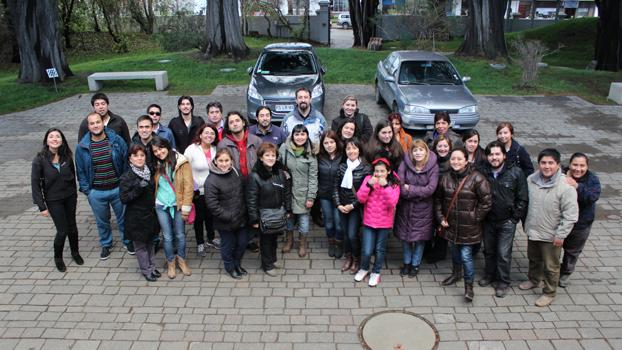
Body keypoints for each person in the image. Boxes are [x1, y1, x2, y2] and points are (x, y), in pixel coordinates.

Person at [519, 148, 578, 307]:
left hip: (552, 235)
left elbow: (571, 215)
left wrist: (561, 235)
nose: (547, 166)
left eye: (551, 163)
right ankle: (534, 279)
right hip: (533, 230)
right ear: (538, 164)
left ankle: (549, 292)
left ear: (558, 165)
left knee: (551, 266)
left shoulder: (566, 186)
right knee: (534, 258)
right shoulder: (531, 179)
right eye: (543, 163)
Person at [436, 148, 491, 302]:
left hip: (469, 228)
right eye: (453, 159)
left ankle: (469, 288)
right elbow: (438, 201)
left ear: (467, 160)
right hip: (451, 226)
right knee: (454, 252)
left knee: (466, 256)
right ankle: (455, 274)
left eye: (460, 159)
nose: (456, 162)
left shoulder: (477, 178)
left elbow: (486, 203)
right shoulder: (445, 178)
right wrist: (440, 218)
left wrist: (474, 217)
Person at [75, 112, 130, 260]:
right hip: (96, 192)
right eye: (92, 123)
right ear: (88, 126)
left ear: (102, 123)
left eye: (97, 122)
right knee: (102, 221)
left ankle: (127, 241)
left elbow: (126, 161)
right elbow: (80, 171)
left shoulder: (116, 140)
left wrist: (124, 184)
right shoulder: (82, 147)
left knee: (123, 218)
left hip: (117, 188)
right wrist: (88, 191)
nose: (95, 125)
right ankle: (106, 244)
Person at [480, 141, 528, 298]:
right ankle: (489, 275)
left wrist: (515, 217)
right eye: (491, 154)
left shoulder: (516, 172)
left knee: (503, 253)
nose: (494, 157)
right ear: (487, 157)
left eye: (497, 154)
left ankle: (503, 282)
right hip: (488, 219)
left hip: (507, 221)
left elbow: (522, 198)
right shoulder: (482, 171)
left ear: (504, 156)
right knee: (489, 251)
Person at [31, 128, 82, 272]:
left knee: (73, 227)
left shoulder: (66, 157)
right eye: (51, 137)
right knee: (62, 230)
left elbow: (73, 176)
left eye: (58, 137)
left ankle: (75, 252)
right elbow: (35, 184)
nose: (55, 139)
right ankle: (58, 258)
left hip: (70, 198)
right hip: (53, 200)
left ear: (62, 140)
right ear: (46, 141)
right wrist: (42, 206)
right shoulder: (39, 160)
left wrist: (74, 195)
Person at [247, 143, 292, 276]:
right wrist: (254, 219)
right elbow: (251, 199)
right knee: (266, 241)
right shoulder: (254, 176)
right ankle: (267, 265)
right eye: (267, 155)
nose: (271, 158)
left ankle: (273, 259)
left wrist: (288, 209)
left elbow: (286, 192)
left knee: (274, 239)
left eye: (273, 155)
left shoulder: (280, 172)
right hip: (264, 214)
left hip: (278, 212)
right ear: (261, 157)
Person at [354, 157, 401, 287]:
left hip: (384, 223)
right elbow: (360, 199)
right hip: (369, 220)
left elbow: (392, 202)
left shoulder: (394, 184)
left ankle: (376, 272)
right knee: (367, 250)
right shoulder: (368, 180)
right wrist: (369, 185)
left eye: (382, 171)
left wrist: (385, 186)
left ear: (389, 171)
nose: (379, 174)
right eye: (377, 171)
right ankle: (364, 268)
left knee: (380, 249)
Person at [151, 137, 194, 279]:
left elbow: (188, 186)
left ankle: (181, 260)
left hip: (178, 205)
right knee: (167, 236)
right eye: (155, 151)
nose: (158, 152)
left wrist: (186, 208)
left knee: (180, 235)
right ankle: (170, 262)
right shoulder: (155, 164)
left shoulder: (182, 162)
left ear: (167, 146)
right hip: (161, 205)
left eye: (161, 148)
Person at [395, 140, 439, 278]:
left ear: (426, 151)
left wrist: (411, 189)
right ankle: (406, 263)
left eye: (421, 150)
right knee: (406, 238)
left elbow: (430, 189)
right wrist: (418, 192)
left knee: (419, 239)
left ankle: (415, 265)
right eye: (415, 150)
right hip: (406, 209)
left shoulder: (433, 167)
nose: (418, 153)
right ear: (411, 153)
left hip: (424, 210)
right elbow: (401, 187)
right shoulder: (404, 164)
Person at [205, 148, 249, 280]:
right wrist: (229, 216)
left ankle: (237, 264)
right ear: (216, 162)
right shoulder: (211, 180)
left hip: (241, 217)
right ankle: (230, 267)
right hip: (225, 221)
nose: (224, 164)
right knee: (228, 246)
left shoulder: (236, 171)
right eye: (221, 161)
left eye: (226, 160)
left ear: (231, 161)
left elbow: (243, 191)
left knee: (242, 243)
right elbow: (213, 205)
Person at [119, 144, 160, 282]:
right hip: (136, 217)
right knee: (140, 246)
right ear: (130, 159)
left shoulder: (150, 171)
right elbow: (124, 198)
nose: (139, 158)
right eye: (136, 156)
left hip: (150, 215)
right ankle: (146, 270)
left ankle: (152, 267)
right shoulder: (127, 177)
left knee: (151, 243)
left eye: (142, 155)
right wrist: (137, 188)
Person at [559, 153, 601, 288]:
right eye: (575, 165)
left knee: (572, 251)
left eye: (582, 166)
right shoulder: (561, 174)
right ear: (570, 164)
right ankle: (551, 271)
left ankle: (566, 272)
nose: (578, 168)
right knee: (552, 248)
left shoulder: (592, 179)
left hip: (581, 224)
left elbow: (592, 197)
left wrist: (577, 186)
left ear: (587, 167)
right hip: (559, 221)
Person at [279, 124, 318, 258]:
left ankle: (302, 243)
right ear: (292, 135)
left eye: (303, 134)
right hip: (287, 192)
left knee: (304, 221)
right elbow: (277, 167)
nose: (300, 137)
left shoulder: (311, 153)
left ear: (307, 136)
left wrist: (311, 197)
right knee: (289, 219)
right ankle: (289, 240)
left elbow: (313, 177)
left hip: (303, 193)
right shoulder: (284, 149)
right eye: (297, 134)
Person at [334, 138, 371, 273]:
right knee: (345, 234)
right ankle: (348, 257)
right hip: (342, 207)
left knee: (352, 235)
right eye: (348, 148)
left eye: (354, 148)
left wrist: (353, 205)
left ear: (359, 150)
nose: (351, 151)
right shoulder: (342, 167)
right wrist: (338, 204)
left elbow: (367, 192)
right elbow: (335, 188)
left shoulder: (366, 168)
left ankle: (356, 259)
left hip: (356, 207)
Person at [184, 124, 221, 256]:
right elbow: (184, 167)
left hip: (213, 191)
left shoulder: (216, 149)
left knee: (211, 216)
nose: (209, 136)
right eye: (206, 133)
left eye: (212, 133)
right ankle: (200, 243)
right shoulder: (192, 149)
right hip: (197, 191)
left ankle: (211, 238)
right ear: (200, 135)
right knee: (199, 219)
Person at [424, 135, 453, 263]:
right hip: (431, 198)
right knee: (429, 226)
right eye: (440, 146)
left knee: (442, 228)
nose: (442, 149)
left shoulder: (452, 161)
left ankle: (440, 253)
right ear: (435, 147)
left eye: (445, 146)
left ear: (450, 147)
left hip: (445, 200)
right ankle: (427, 250)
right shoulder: (430, 161)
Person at [317, 130, 344, 258]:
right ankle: (331, 243)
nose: (329, 145)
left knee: (338, 222)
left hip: (339, 196)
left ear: (336, 142)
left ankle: (339, 243)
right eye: (326, 142)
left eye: (332, 142)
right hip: (324, 195)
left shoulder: (343, 156)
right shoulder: (319, 157)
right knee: (328, 221)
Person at [217, 111, 262, 179]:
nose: (235, 124)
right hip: (233, 182)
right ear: (228, 127)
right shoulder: (223, 145)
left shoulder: (256, 141)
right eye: (231, 122)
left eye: (237, 121)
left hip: (254, 181)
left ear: (243, 123)